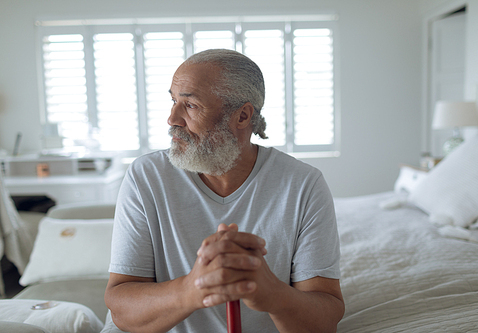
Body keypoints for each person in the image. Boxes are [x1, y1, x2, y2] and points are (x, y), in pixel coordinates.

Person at [104, 49, 344, 333]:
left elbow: (325, 317)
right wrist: (193, 289)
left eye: (190, 105)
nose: (172, 119)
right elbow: (120, 307)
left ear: (242, 116)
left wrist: (272, 295)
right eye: (173, 101)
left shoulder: (303, 184)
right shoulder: (147, 175)